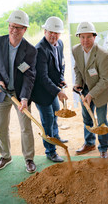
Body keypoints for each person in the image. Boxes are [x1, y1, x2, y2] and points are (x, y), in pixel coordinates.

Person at [0, 10, 37, 173]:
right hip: (1, 93)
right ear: (9, 26)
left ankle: (29, 159)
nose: (14, 30)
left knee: (25, 127)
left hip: (20, 95)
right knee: (1, 127)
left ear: (25, 30)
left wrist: (24, 98)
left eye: (19, 28)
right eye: (12, 26)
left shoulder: (30, 50)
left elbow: (29, 76)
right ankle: (5, 156)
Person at [72, 22, 108, 158]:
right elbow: (77, 68)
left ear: (94, 37)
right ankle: (89, 143)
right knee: (87, 119)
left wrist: (91, 94)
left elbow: (105, 80)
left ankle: (103, 148)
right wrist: (78, 83)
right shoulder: (76, 50)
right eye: (82, 37)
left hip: (100, 91)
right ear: (79, 37)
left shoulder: (103, 55)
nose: (85, 40)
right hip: (85, 90)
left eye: (89, 37)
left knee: (101, 121)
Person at [31, 16, 68, 163]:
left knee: (55, 115)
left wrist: (61, 79)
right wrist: (58, 91)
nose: (54, 35)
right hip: (41, 92)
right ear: (45, 31)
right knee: (47, 120)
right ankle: (50, 151)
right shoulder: (39, 49)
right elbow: (42, 77)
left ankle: (56, 137)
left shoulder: (60, 44)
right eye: (51, 32)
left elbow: (61, 64)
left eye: (57, 32)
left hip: (52, 89)